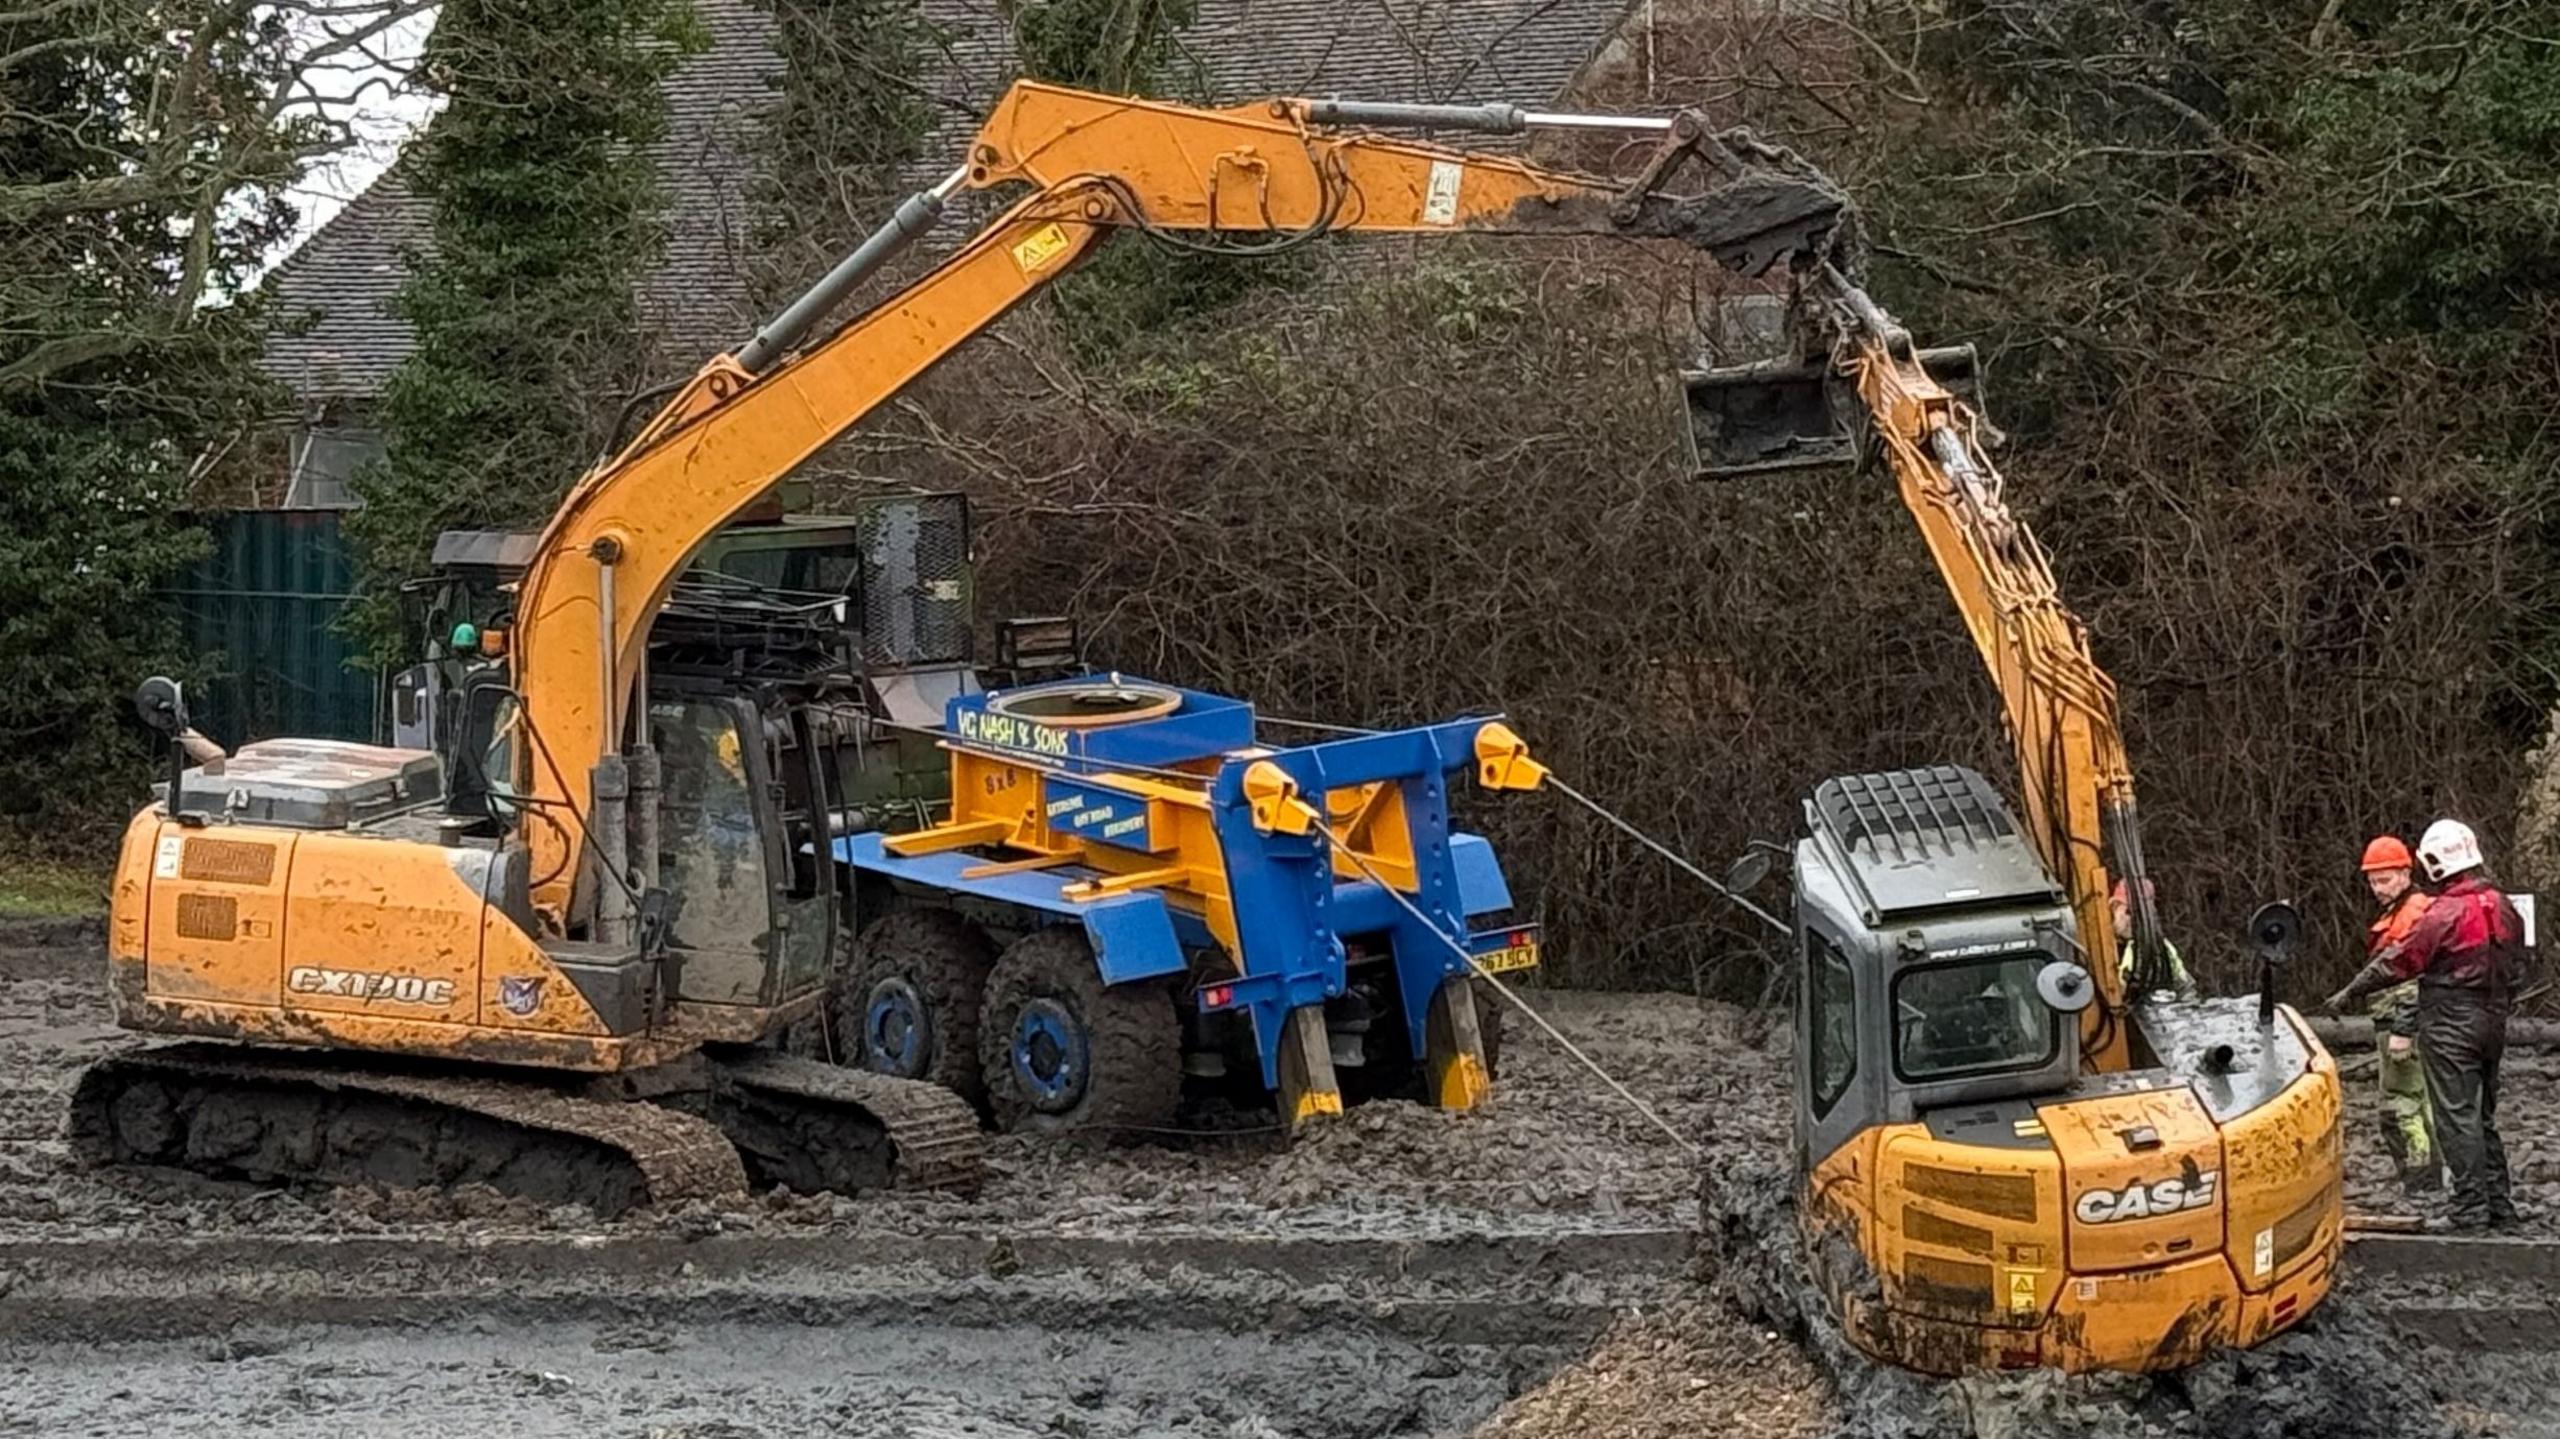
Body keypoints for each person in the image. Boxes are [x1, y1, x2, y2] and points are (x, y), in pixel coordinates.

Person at [2328, 819, 2524, 1231]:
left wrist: (2350, 991)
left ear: (2435, 863)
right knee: (2483, 1115)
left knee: (2455, 1116)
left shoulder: (2443, 914)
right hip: (2494, 1018)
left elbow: (2400, 961)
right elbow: (2520, 965)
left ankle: (2469, 1208)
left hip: (2450, 1022)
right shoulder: (2502, 906)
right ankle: (2499, 1205)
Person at [2357, 835, 2440, 1195]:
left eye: (2385, 879)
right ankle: (2432, 1178)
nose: (2378, 888)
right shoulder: (2407, 911)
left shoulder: (2412, 915)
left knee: (2401, 1105)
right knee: (2420, 1101)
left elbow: (2416, 980)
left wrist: (2403, 1029)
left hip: (2401, 1024)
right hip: (2399, 1021)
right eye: (2373, 881)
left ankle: (2421, 1181)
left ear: (2406, 873)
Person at [2110, 877, 2197, 1000]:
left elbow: (2185, 986)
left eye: (2137, 914)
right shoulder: (2103, 944)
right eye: (2126, 912)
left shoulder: (2157, 949)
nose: (2130, 920)